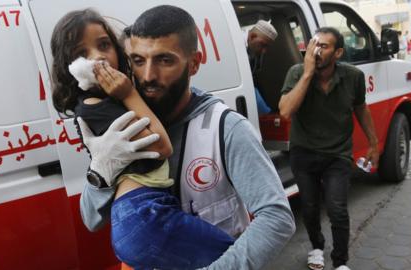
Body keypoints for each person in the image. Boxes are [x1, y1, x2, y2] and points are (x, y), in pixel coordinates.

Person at [79, 5, 295, 269]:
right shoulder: (122, 125)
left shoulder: (225, 128)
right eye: (138, 61)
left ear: (194, 63)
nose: (147, 76)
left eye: (164, 60)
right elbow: (92, 219)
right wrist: (99, 172)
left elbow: (277, 218)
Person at [50, 9, 236, 269]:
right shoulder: (98, 104)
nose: (98, 57)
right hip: (143, 215)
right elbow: (162, 146)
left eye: (104, 45)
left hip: (148, 215)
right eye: (82, 54)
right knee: (234, 255)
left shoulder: (114, 100)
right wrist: (98, 173)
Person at [279, 27, 379, 270]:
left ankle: (341, 261)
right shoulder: (296, 72)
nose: (316, 50)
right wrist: (307, 74)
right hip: (304, 153)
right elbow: (285, 111)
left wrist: (374, 143)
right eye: (314, 44)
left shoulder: (353, 76)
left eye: (324, 46)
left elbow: (361, 108)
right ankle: (316, 247)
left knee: (337, 209)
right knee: (310, 207)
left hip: (337, 154)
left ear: (338, 53)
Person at [246, 20, 277, 114]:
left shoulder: (255, 50)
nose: (264, 51)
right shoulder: (235, 46)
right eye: (263, 45)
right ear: (252, 36)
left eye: (267, 47)